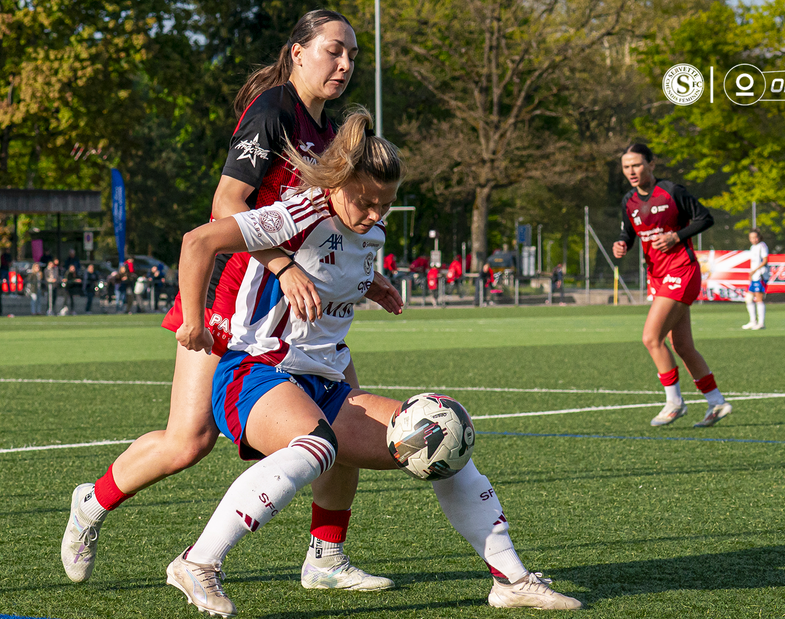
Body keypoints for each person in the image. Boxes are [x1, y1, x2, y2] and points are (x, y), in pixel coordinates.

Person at [165, 112, 582, 615]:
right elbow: (198, 241)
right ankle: (198, 563)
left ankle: (510, 579)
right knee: (315, 448)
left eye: (385, 204)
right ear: (338, 184)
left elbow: (338, 264)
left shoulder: (372, 228)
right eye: (364, 201)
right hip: (255, 370)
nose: (374, 214)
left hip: (325, 380)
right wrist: (194, 320)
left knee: (438, 435)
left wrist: (371, 283)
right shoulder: (299, 213)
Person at [60, 10, 402, 593]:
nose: (344, 64)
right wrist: (282, 264)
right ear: (297, 52)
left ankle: (326, 560)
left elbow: (326, 224)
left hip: (296, 311)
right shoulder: (272, 111)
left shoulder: (334, 129)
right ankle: (92, 503)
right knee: (187, 442)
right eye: (332, 51)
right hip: (236, 296)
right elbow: (225, 206)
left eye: (351, 55)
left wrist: (361, 277)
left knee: (341, 415)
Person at [613, 143, 731, 428]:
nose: (631, 171)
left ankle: (674, 402)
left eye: (637, 164)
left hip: (682, 269)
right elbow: (628, 232)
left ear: (651, 165)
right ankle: (717, 402)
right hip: (658, 275)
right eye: (626, 166)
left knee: (652, 338)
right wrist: (622, 244)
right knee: (682, 345)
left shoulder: (672, 192)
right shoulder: (628, 200)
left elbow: (706, 218)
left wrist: (676, 237)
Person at [742, 228, 769, 330]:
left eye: (755, 237)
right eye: (751, 238)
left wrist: (755, 271)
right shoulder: (753, 247)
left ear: (759, 237)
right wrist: (751, 274)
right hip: (754, 276)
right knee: (748, 298)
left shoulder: (762, 246)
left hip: (761, 275)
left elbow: (765, 260)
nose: (753, 239)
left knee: (759, 298)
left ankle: (761, 323)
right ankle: (752, 321)